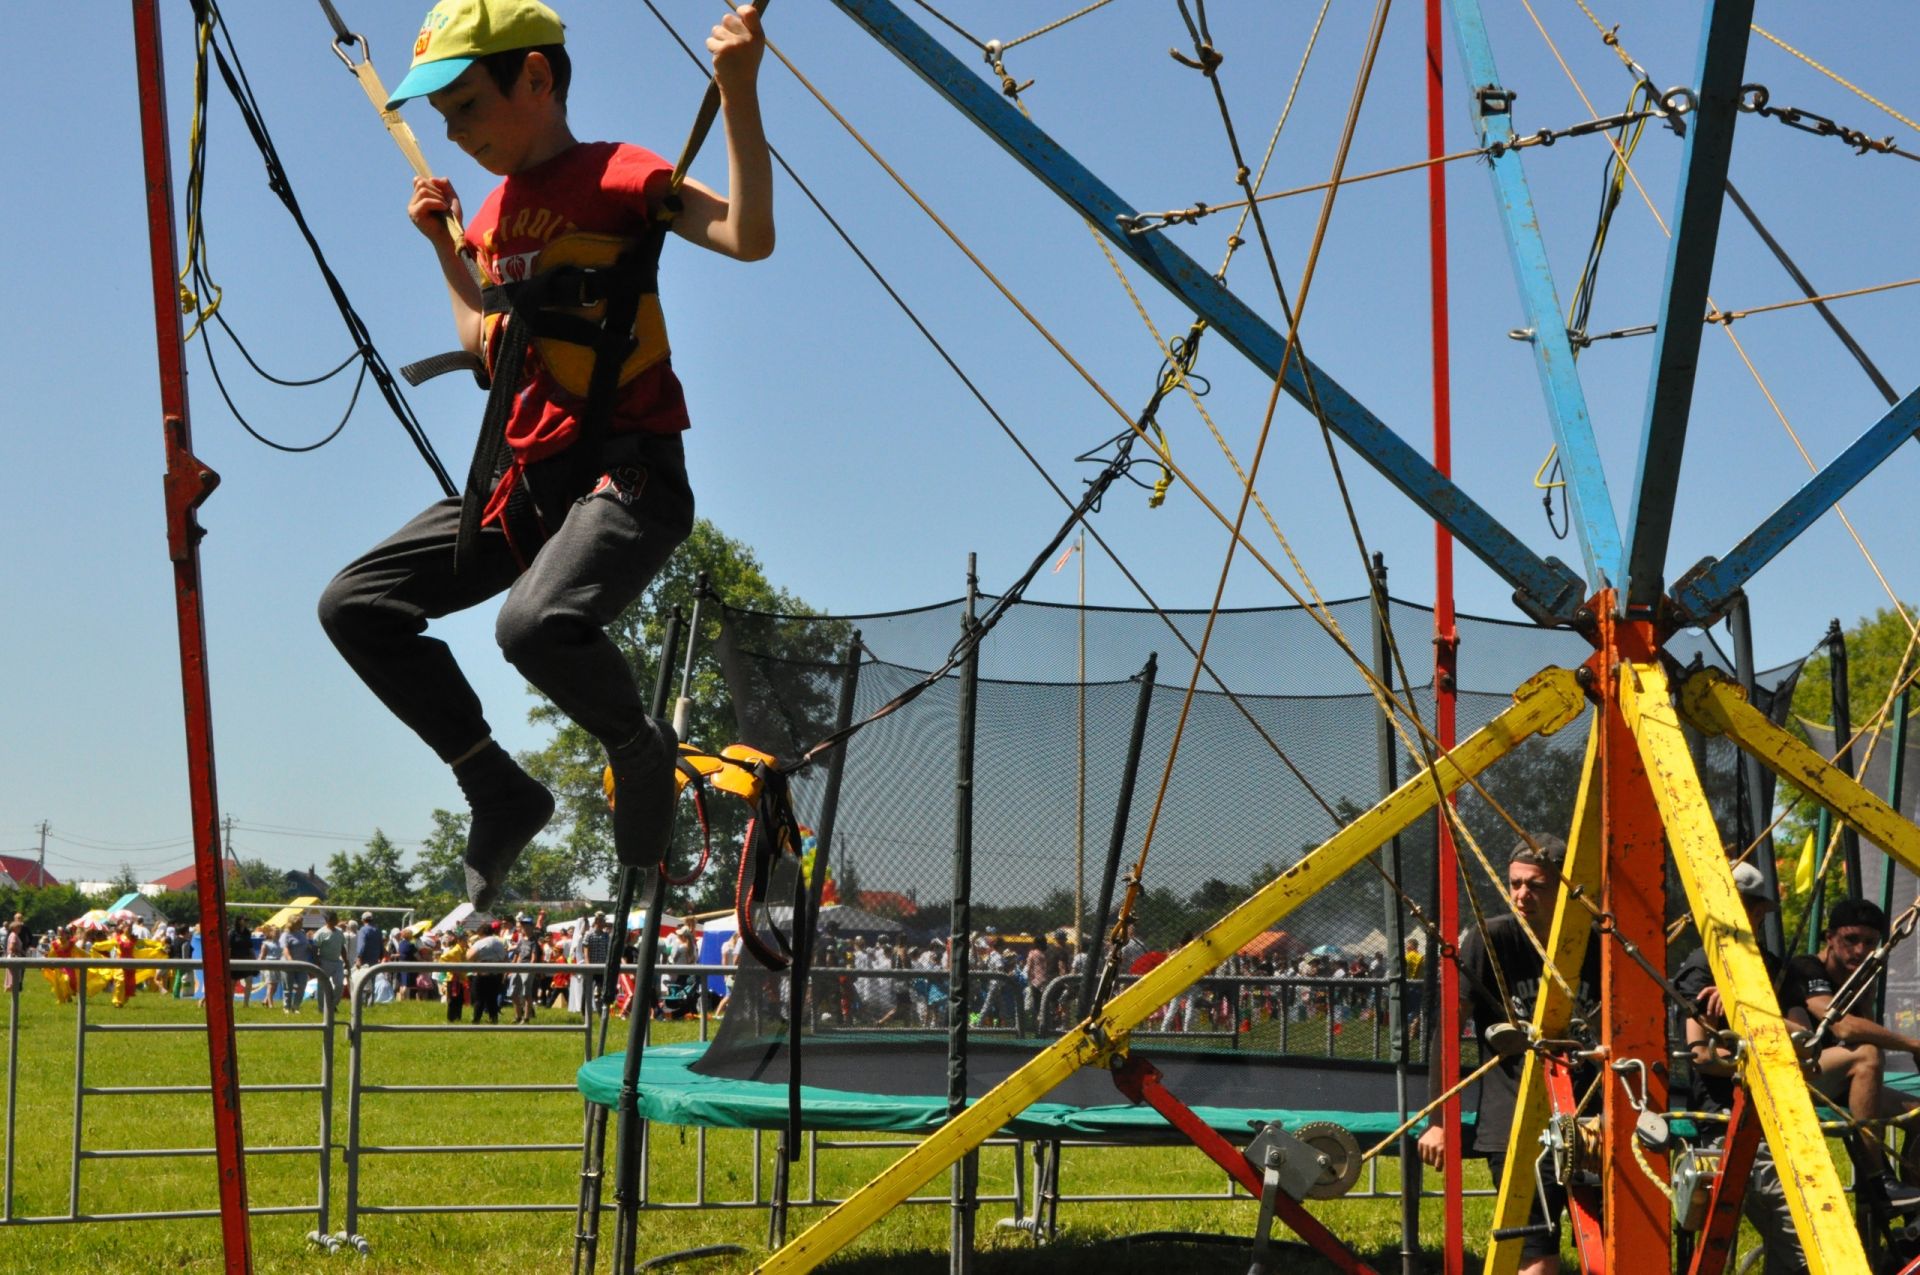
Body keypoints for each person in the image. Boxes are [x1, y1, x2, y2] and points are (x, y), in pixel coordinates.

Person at [316, 0, 775, 915]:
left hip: (627, 478)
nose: (455, 132)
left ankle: (638, 750)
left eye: (468, 107)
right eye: (443, 119)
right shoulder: (489, 213)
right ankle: (496, 785)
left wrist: (737, 92)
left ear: (536, 78)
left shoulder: (616, 175)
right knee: (357, 606)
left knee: (531, 628)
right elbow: (491, 348)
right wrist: (448, 251)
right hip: (526, 487)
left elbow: (747, 237)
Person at [1416, 834, 1599, 1275]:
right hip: (1513, 1117)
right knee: (1534, 1252)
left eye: (1535, 885)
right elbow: (1448, 1029)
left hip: (1591, 1116)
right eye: (1514, 883)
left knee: (1610, 1242)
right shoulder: (1489, 939)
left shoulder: (1595, 941)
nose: (1521, 895)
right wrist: (1438, 1122)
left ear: (1564, 889)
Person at [1788, 897, 1920, 1197]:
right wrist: (1913, 1044)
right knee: (1866, 1056)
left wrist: (1866, 998)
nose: (1860, 950)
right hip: (1799, 1078)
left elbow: (1871, 1044)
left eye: (1869, 942)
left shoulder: (1860, 979)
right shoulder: (1806, 968)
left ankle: (1912, 1205)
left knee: (1918, 1114)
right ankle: (1877, 1178)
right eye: (1851, 939)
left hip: (1838, 1080)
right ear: (1830, 938)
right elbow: (1841, 1025)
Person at [468, 920, 510, 1024]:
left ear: (481, 933)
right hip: (495, 975)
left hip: (481, 974)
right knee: (492, 998)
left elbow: (469, 957)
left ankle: (476, 1019)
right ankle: (494, 1019)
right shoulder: (499, 943)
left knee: (479, 999)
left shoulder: (480, 943)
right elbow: (505, 959)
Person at [312, 912, 348, 1011]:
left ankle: (332, 1005)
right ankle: (321, 1007)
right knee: (322, 986)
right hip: (324, 962)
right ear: (328, 920)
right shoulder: (320, 933)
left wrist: (346, 961)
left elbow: (342, 947)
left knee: (340, 985)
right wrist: (317, 962)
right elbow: (315, 948)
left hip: (337, 962)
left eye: (336, 918)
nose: (337, 920)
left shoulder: (340, 932)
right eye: (334, 919)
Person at [281, 922, 314, 1013]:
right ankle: (286, 1007)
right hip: (288, 964)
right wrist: (290, 960)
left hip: (302, 964)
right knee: (288, 987)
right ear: (293, 923)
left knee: (302, 985)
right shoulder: (285, 935)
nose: (302, 923)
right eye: (300, 922)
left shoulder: (302, 933)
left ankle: (296, 1007)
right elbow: (285, 949)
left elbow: (307, 945)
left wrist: (311, 949)